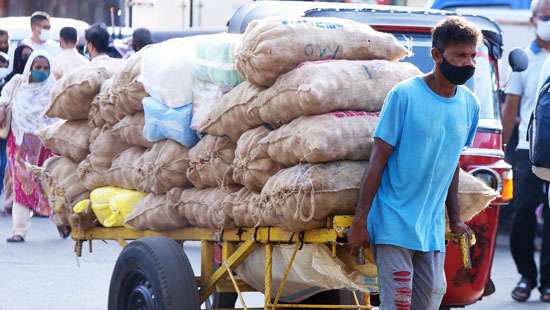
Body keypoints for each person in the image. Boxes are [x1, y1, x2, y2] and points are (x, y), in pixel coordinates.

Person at [348, 16, 480, 309]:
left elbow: (451, 163)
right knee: (399, 304)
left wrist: (455, 218)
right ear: (436, 55)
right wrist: (360, 220)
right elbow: (378, 160)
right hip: (394, 222)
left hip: (431, 229)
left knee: (431, 300)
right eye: (459, 55)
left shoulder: (470, 104)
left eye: (473, 56)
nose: (468, 63)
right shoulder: (404, 96)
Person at [501, 0, 550, 302]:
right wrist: (501, 149)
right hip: (526, 151)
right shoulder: (524, 60)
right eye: (546, 16)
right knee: (521, 215)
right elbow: (511, 111)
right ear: (532, 19)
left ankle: (547, 283)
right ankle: (526, 276)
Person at [0, 50, 58, 242]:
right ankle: (19, 231)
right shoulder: (18, 83)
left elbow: (58, 115)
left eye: (46, 68)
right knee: (21, 185)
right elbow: (4, 100)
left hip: (45, 144)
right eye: (38, 67)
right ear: (30, 68)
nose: (42, 71)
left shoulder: (53, 88)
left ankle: (61, 222)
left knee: (48, 185)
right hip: (20, 142)